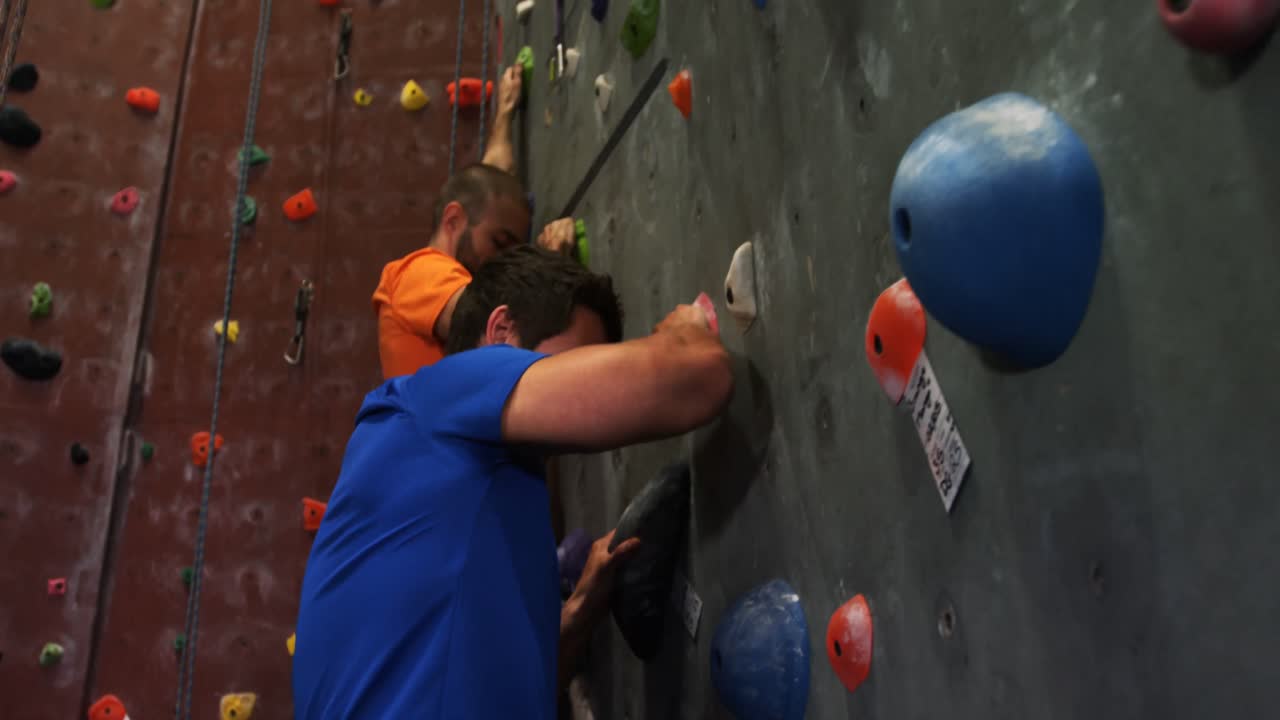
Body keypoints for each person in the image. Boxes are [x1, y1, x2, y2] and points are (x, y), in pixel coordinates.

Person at [293, 246, 733, 718]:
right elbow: (701, 377)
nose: (589, 380)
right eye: (577, 361)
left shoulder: (478, 495)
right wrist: (686, 332)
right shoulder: (434, 397)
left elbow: (501, 688)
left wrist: (575, 613)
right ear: (500, 333)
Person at [373, 65, 580, 380]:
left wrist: (504, 114)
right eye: (499, 243)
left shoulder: (461, 267)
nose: (506, 257)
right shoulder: (420, 272)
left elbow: (493, 188)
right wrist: (553, 266)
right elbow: (493, 329)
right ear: (453, 219)